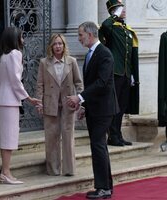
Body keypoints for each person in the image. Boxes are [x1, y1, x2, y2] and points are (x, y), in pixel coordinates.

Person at [67, 21, 119, 199]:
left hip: (104, 109)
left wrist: (79, 97)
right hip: (95, 108)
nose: (79, 38)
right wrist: (85, 106)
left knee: (98, 146)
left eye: (80, 34)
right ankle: (106, 186)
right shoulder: (92, 53)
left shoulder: (104, 53)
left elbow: (102, 83)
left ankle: (103, 188)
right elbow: (92, 83)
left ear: (90, 34)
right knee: (99, 147)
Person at [0, 27, 40, 184]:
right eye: (21, 37)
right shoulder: (15, 54)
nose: (24, 40)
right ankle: (6, 172)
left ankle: (4, 171)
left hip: (2, 99)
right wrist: (28, 98)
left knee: (5, 136)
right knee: (9, 137)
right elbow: (15, 81)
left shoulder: (2, 56)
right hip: (9, 100)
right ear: (15, 38)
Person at [36, 33, 83, 176]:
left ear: (64, 45)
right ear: (51, 46)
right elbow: (39, 85)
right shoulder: (44, 62)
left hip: (68, 104)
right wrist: (39, 103)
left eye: (60, 43)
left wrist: (79, 100)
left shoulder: (72, 61)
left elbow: (79, 83)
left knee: (68, 137)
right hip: (50, 104)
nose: (58, 46)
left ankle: (69, 169)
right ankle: (53, 169)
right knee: (51, 137)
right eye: (55, 44)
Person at [99, 0, 140, 146]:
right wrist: (114, 16)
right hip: (115, 72)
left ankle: (118, 134)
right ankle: (112, 135)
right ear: (113, 10)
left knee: (122, 106)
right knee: (114, 105)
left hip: (126, 73)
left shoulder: (126, 29)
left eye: (122, 8)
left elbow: (130, 54)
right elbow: (104, 26)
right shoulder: (111, 27)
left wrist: (133, 73)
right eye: (120, 8)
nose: (124, 11)